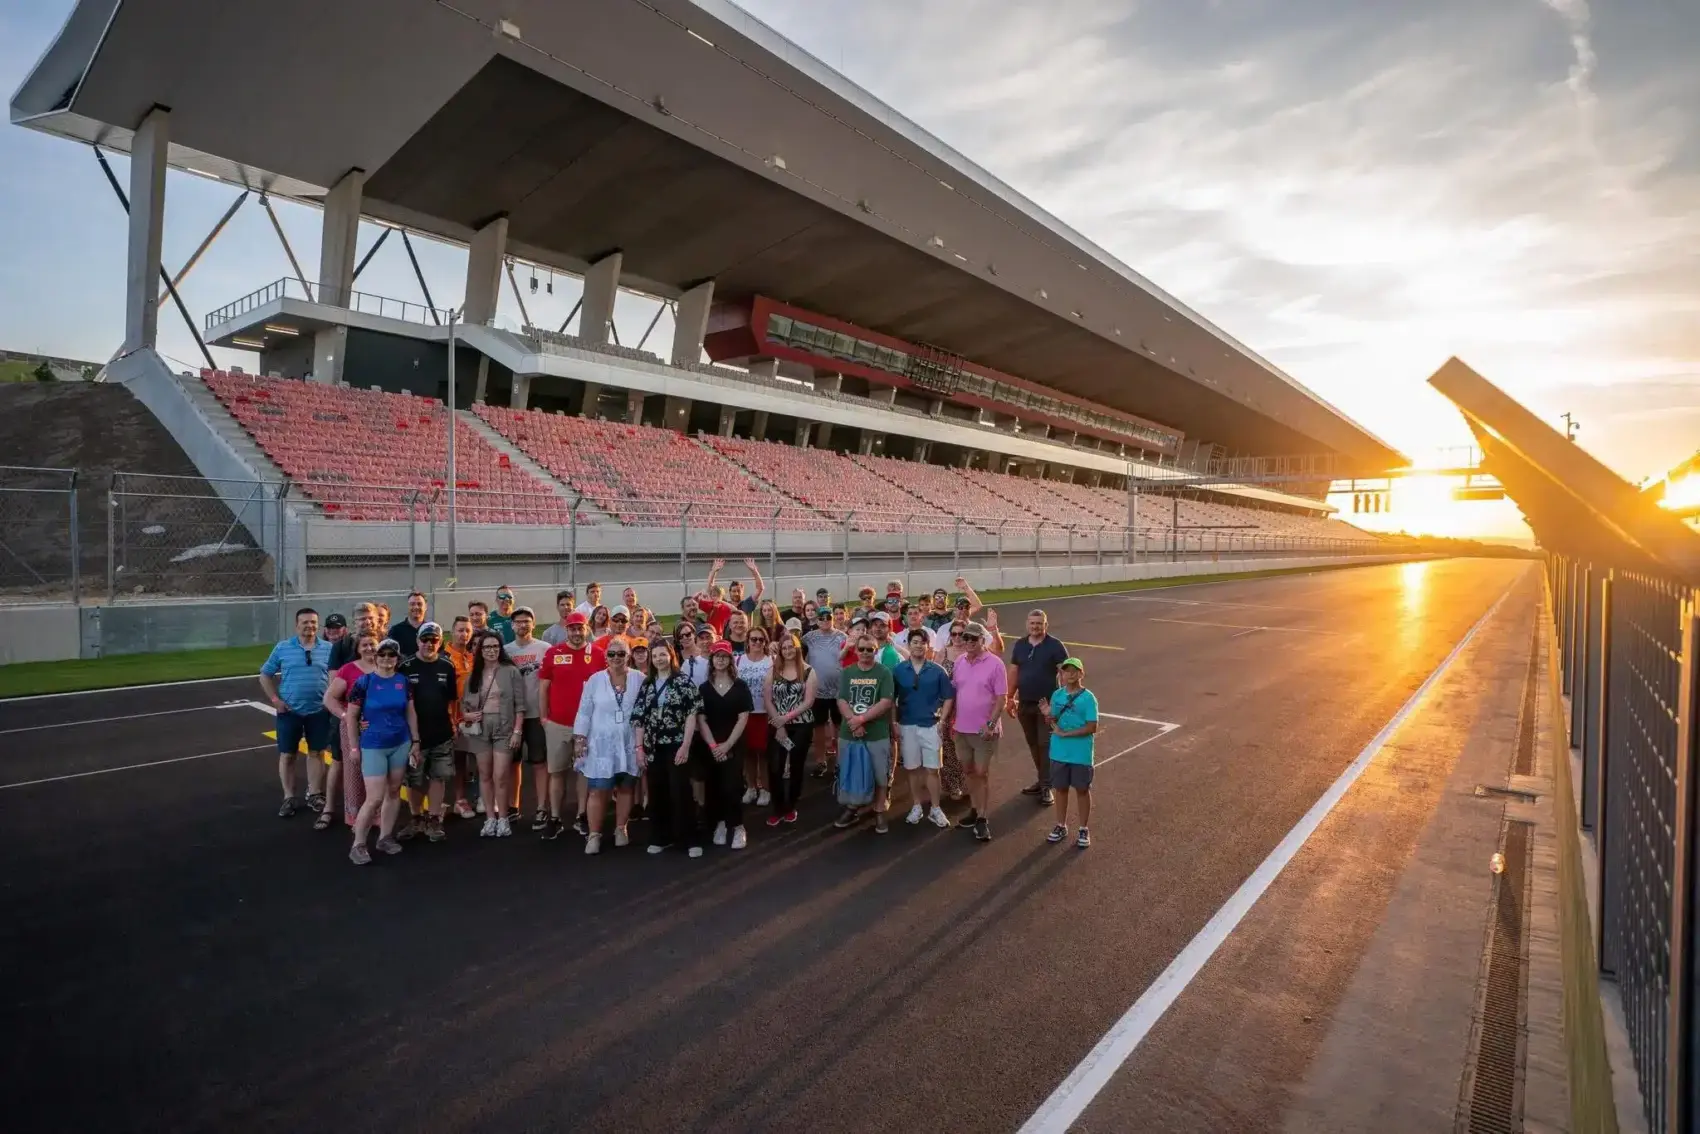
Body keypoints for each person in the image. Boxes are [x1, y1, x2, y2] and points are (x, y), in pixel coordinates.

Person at [345, 639, 420, 865]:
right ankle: (358, 843)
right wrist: (354, 746)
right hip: (374, 745)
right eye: (383, 655)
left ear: (397, 659)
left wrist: (415, 741)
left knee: (394, 791)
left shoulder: (403, 681)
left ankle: (385, 837)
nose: (387, 659)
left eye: (392, 655)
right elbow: (351, 716)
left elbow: (411, 712)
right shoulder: (364, 682)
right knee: (374, 797)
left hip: (400, 742)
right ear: (376, 657)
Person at [257, 607, 334, 818]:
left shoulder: (328, 648)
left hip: (319, 710)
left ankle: (315, 794)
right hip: (289, 711)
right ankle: (289, 797)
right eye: (305, 622)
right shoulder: (283, 648)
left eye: (313, 622)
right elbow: (265, 675)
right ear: (296, 625)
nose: (309, 626)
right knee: (288, 755)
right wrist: (275, 701)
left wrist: (331, 700)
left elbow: (336, 677)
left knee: (317, 753)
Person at [633, 640, 704, 856]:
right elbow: (639, 718)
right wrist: (639, 748)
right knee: (657, 792)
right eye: (655, 656)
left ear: (670, 655)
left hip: (677, 744)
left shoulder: (683, 682)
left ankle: (690, 839)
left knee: (680, 790)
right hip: (654, 746)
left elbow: (693, 713)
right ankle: (661, 837)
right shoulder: (647, 684)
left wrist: (686, 745)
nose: (659, 659)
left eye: (663, 655)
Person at [572, 636, 641, 854]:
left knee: (626, 787)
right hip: (601, 745)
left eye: (621, 653)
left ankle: (621, 828)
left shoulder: (640, 679)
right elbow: (584, 710)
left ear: (628, 656)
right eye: (612, 654)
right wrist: (580, 738)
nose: (616, 658)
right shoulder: (595, 680)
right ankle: (594, 834)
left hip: (629, 744)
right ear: (605, 656)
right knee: (598, 789)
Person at [537, 611, 602, 841]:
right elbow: (543, 687)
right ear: (566, 629)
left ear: (587, 629)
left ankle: (582, 815)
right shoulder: (554, 653)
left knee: (584, 771)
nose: (576, 632)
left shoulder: (598, 654)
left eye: (580, 628)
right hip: (558, 723)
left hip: (588, 725)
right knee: (557, 772)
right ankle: (554, 818)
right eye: (572, 628)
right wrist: (544, 718)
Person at [460, 630, 525, 837]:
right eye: (487, 647)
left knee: (501, 776)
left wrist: (517, 731)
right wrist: (468, 716)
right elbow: (464, 708)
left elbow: (520, 706)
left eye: (495, 646)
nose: (491, 651)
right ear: (480, 650)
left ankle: (503, 818)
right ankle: (490, 819)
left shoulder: (510, 671)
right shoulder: (473, 675)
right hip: (480, 729)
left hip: (504, 727)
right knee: (485, 775)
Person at [400, 622, 459, 842]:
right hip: (414, 735)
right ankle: (416, 818)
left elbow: (452, 699)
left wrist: (453, 723)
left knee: (438, 777)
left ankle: (435, 819)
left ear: (440, 641)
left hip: (441, 732)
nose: (428, 644)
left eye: (434, 640)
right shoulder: (405, 666)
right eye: (424, 639)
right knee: (414, 780)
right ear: (417, 641)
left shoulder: (447, 665)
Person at [950, 621, 1007, 842]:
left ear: (983, 640)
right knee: (968, 770)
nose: (970, 642)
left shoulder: (995, 664)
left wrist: (991, 724)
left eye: (974, 638)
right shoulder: (960, 662)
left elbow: (1002, 697)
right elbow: (956, 692)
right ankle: (974, 809)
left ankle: (982, 818)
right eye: (966, 638)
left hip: (984, 732)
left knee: (981, 773)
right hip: (961, 729)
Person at [834, 633, 896, 834]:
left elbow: (886, 702)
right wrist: (853, 722)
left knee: (880, 775)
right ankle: (852, 807)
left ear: (876, 651)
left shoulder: (884, 672)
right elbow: (841, 699)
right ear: (855, 650)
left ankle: (878, 810)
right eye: (861, 649)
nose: (865, 653)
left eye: (870, 649)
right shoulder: (847, 672)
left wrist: (861, 720)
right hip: (849, 733)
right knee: (851, 771)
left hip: (876, 733)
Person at [892, 627, 953, 828]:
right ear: (909, 646)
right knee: (912, 768)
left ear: (928, 646)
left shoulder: (937, 671)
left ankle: (935, 808)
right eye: (915, 642)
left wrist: (942, 721)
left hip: (930, 726)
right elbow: (892, 699)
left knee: (932, 769)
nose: (918, 646)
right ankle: (916, 805)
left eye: (922, 642)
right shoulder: (899, 670)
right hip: (907, 725)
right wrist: (894, 722)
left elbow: (948, 697)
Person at [1008, 609, 1070, 807]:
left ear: (1046, 625)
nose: (1035, 626)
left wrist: (1059, 701)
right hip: (1025, 703)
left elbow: (1065, 674)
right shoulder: (1020, 645)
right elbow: (1014, 672)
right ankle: (1042, 780)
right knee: (1033, 744)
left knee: (1045, 745)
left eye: (1039, 623)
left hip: (1047, 706)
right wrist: (1009, 697)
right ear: (1027, 624)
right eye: (1032, 623)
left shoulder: (1055, 646)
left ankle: (1046, 786)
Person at [697, 642, 753, 850]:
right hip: (711, 744)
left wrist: (727, 744)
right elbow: (701, 720)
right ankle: (719, 823)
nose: (720, 660)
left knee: (732, 786)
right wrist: (713, 746)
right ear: (711, 660)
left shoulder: (740, 686)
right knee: (714, 787)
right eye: (716, 656)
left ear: (730, 660)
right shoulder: (703, 688)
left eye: (724, 656)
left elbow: (743, 717)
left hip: (734, 743)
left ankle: (738, 827)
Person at [325, 629, 380, 829]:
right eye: (364, 644)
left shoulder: (386, 667)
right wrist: (346, 716)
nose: (369, 648)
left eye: (373, 643)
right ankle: (355, 817)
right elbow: (329, 698)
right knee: (354, 772)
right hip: (353, 728)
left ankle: (377, 815)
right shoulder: (348, 669)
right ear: (357, 648)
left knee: (378, 772)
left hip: (381, 728)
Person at [1043, 658, 1098, 848]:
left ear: (1081, 674)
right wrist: (1048, 715)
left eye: (1075, 671)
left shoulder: (1088, 698)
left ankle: (1083, 828)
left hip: (1080, 753)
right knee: (1061, 789)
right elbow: (1052, 722)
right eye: (1067, 671)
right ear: (1062, 674)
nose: (1070, 674)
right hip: (1059, 752)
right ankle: (1061, 825)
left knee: (1082, 790)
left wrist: (1066, 733)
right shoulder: (1057, 695)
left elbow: (1092, 726)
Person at [504, 607, 551, 828]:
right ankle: (513, 806)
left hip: (537, 714)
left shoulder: (545, 649)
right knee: (513, 763)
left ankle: (542, 807)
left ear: (533, 624)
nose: (523, 625)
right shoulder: (506, 651)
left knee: (540, 763)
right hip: (511, 716)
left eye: (527, 621)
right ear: (512, 625)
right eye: (518, 621)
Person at [764, 632, 817, 826]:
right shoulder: (773, 670)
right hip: (777, 726)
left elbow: (808, 701)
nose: (787, 651)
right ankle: (777, 808)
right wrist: (778, 724)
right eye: (783, 648)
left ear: (797, 649)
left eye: (790, 648)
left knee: (796, 766)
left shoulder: (808, 670)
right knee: (775, 767)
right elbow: (767, 699)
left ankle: (790, 805)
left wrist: (785, 718)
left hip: (801, 725)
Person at [803, 607, 847, 780]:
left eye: (828, 617)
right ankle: (821, 761)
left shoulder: (842, 636)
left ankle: (840, 762)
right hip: (818, 691)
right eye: (821, 618)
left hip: (839, 691)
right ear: (817, 620)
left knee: (839, 728)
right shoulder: (809, 638)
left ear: (833, 618)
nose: (825, 620)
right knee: (819, 729)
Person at [445, 614, 482, 818]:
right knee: (459, 760)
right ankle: (460, 800)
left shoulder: (472, 657)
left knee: (478, 758)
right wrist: (453, 718)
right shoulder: (445, 657)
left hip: (474, 716)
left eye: (467, 630)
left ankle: (479, 796)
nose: (464, 634)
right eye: (460, 630)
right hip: (455, 717)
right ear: (452, 632)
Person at [737, 627, 774, 807]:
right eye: (754, 639)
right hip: (745, 715)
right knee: (748, 753)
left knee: (764, 753)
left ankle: (765, 789)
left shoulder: (771, 661)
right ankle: (751, 787)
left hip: (764, 713)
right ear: (748, 641)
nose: (757, 643)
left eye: (761, 640)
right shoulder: (739, 660)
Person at [388, 590, 429, 660]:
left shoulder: (431, 630)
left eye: (419, 604)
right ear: (408, 606)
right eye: (412, 604)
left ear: (425, 607)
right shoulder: (396, 630)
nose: (416, 607)